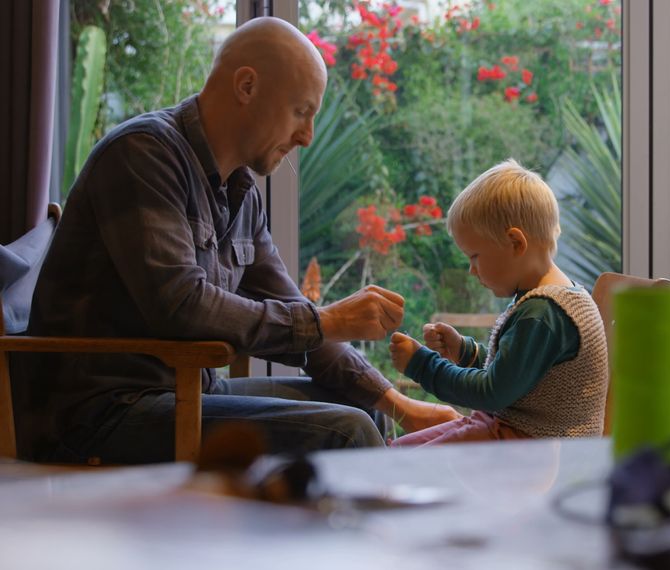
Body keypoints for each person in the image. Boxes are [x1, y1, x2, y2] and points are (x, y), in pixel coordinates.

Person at [13, 17, 459, 464]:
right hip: (98, 414)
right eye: (301, 112)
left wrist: (401, 405)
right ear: (246, 86)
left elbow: (292, 309)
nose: (307, 137)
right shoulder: (142, 156)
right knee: (348, 432)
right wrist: (326, 320)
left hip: (187, 391)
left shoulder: (241, 195)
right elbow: (180, 306)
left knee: (369, 411)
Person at [387, 159, 608, 446]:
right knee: (403, 451)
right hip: (514, 432)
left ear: (516, 243)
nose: (471, 270)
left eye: (475, 256)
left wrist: (422, 365)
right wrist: (465, 351)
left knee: (402, 463)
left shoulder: (543, 312)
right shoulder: (556, 297)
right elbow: (517, 374)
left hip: (533, 448)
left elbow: (492, 393)